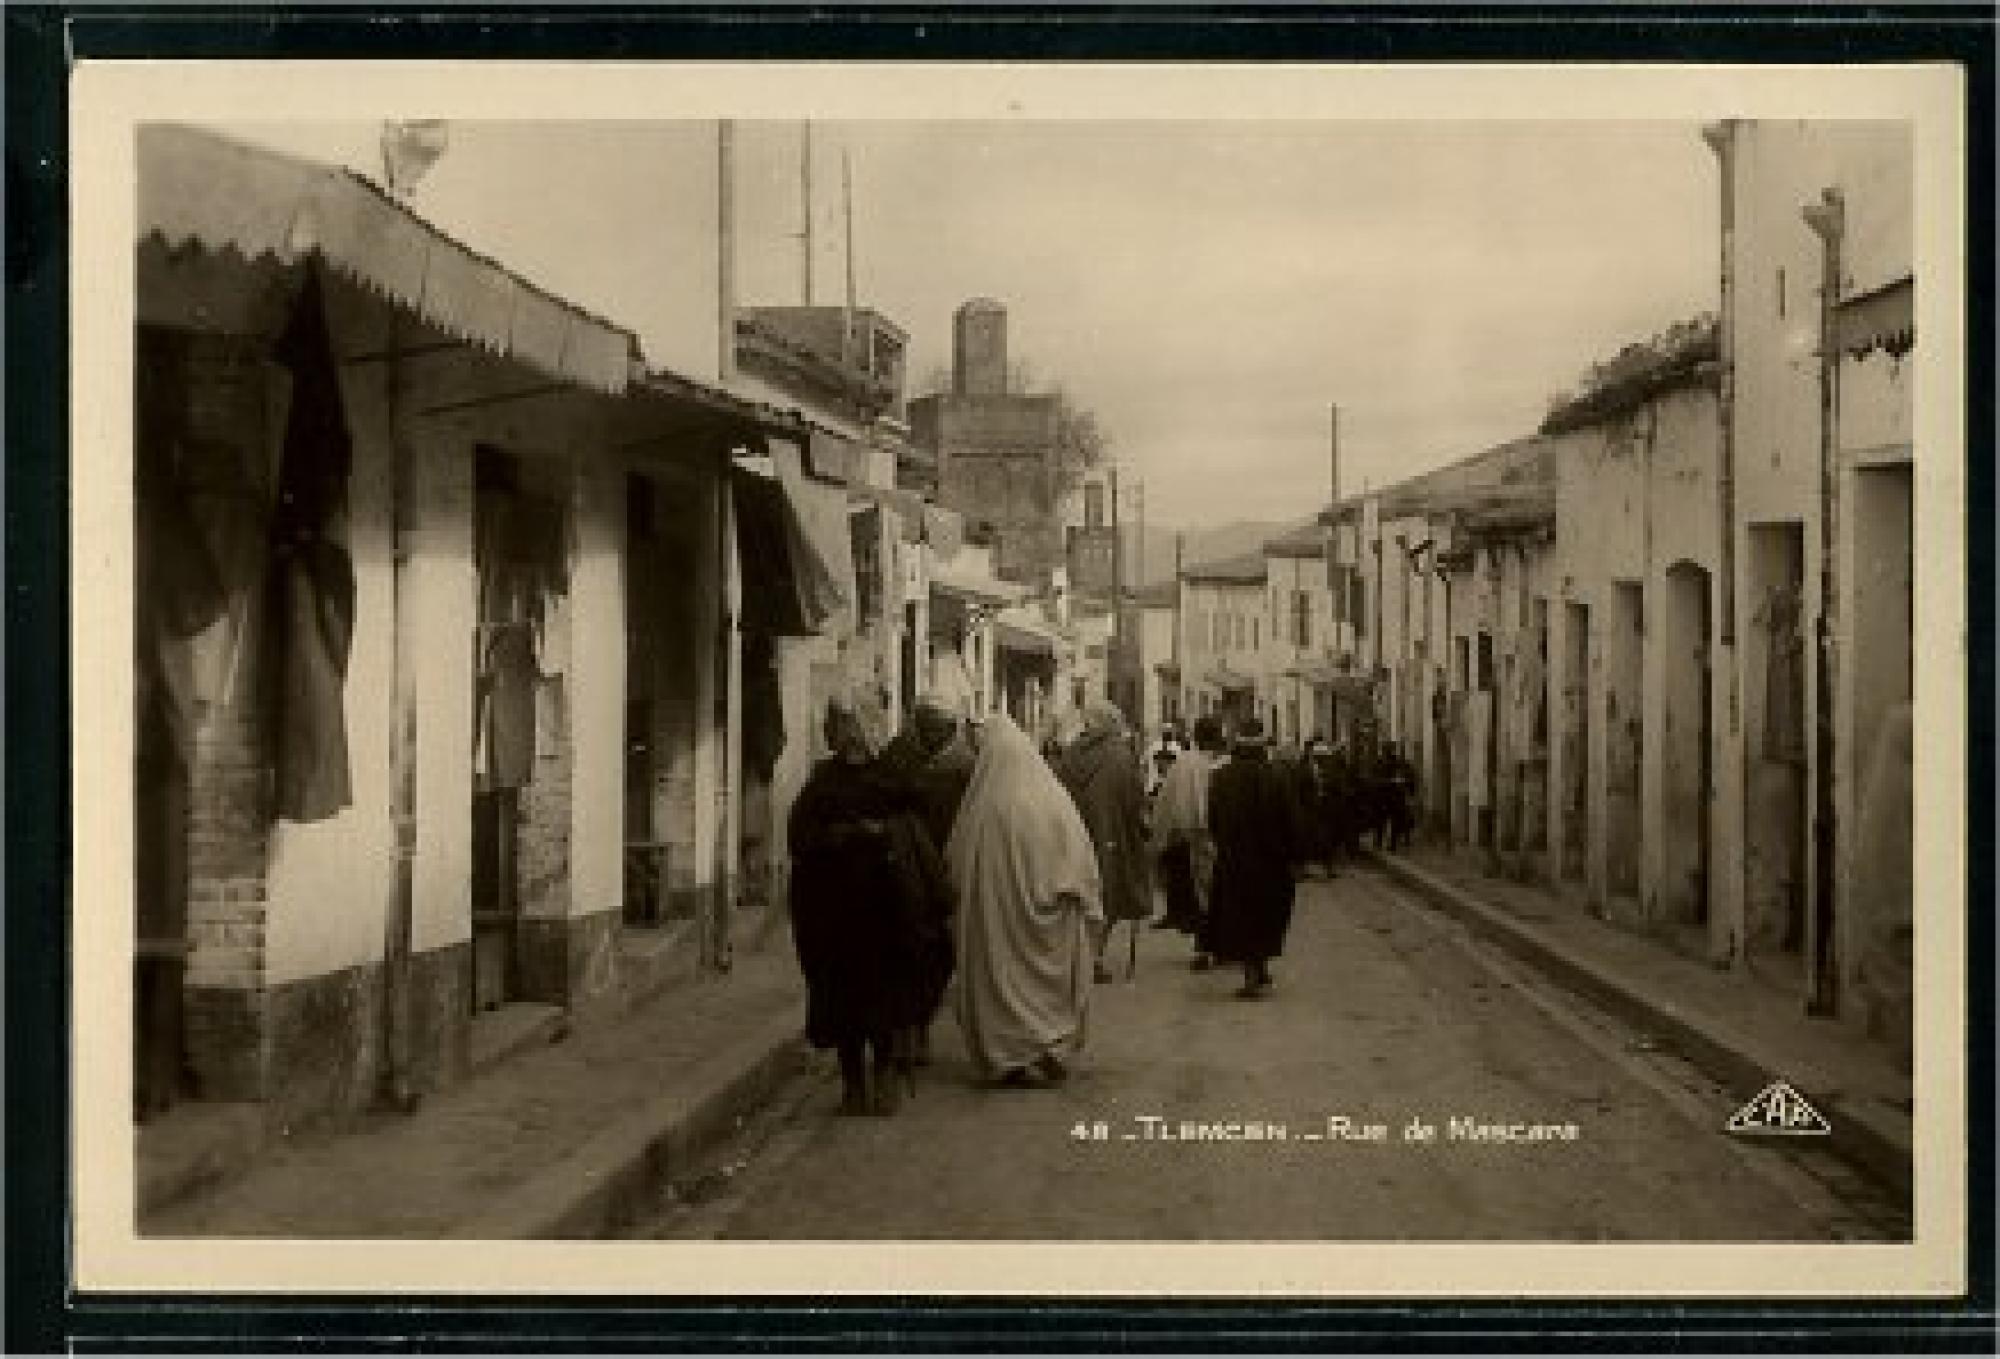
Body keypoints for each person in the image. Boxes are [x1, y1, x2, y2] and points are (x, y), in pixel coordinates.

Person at [787, 696, 953, 1115]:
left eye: (855, 729)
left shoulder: (897, 780)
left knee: (883, 1003)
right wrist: (837, 837)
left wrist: (885, 833)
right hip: (836, 915)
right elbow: (799, 838)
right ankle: (853, 1087)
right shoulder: (823, 780)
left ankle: (883, 1080)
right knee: (843, 1005)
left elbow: (921, 832)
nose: (850, 738)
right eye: (844, 730)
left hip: (885, 913)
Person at [946, 711, 1104, 1087]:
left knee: (1003, 982)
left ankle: (1012, 1056)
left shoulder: (982, 808)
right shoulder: (1053, 799)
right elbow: (1080, 858)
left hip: (996, 925)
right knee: (1043, 986)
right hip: (1049, 918)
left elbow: (956, 863)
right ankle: (1046, 1048)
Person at [877, 697, 977, 1066]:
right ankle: (908, 1030)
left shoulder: (964, 765)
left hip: (944, 868)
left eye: (943, 728)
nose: (938, 734)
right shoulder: (897, 758)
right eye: (931, 726)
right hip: (906, 868)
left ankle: (919, 1025)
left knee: (939, 955)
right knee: (907, 954)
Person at [1052, 699, 1154, 983]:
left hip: (1074, 832)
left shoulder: (1070, 754)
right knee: (1107, 895)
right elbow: (1133, 798)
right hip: (1110, 835)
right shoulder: (1120, 754)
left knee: (1080, 893)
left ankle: (1079, 953)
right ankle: (1093, 956)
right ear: (1111, 723)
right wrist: (1141, 825)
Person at [1205, 715, 1303, 999]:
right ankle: (1258, 967)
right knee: (1268, 915)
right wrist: (1296, 857)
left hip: (1234, 860)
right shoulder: (1278, 777)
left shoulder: (1221, 778)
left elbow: (1213, 821)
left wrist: (1225, 845)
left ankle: (1253, 970)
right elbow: (1292, 821)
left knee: (1241, 915)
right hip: (1272, 863)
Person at [1151, 715, 1226, 967]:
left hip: (1185, 838)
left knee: (1200, 894)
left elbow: (1164, 804)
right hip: (1203, 837)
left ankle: (1205, 947)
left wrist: (1160, 838)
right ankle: (1208, 948)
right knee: (1209, 893)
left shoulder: (1182, 764)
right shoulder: (1209, 765)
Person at [1377, 740, 1419, 851]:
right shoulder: (1383, 763)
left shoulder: (1398, 764)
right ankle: (1382, 841)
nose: (1387, 753)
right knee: (1384, 820)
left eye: (1389, 750)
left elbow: (1410, 779)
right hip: (1387, 795)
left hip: (1394, 796)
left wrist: (1408, 791)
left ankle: (1390, 843)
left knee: (1394, 820)